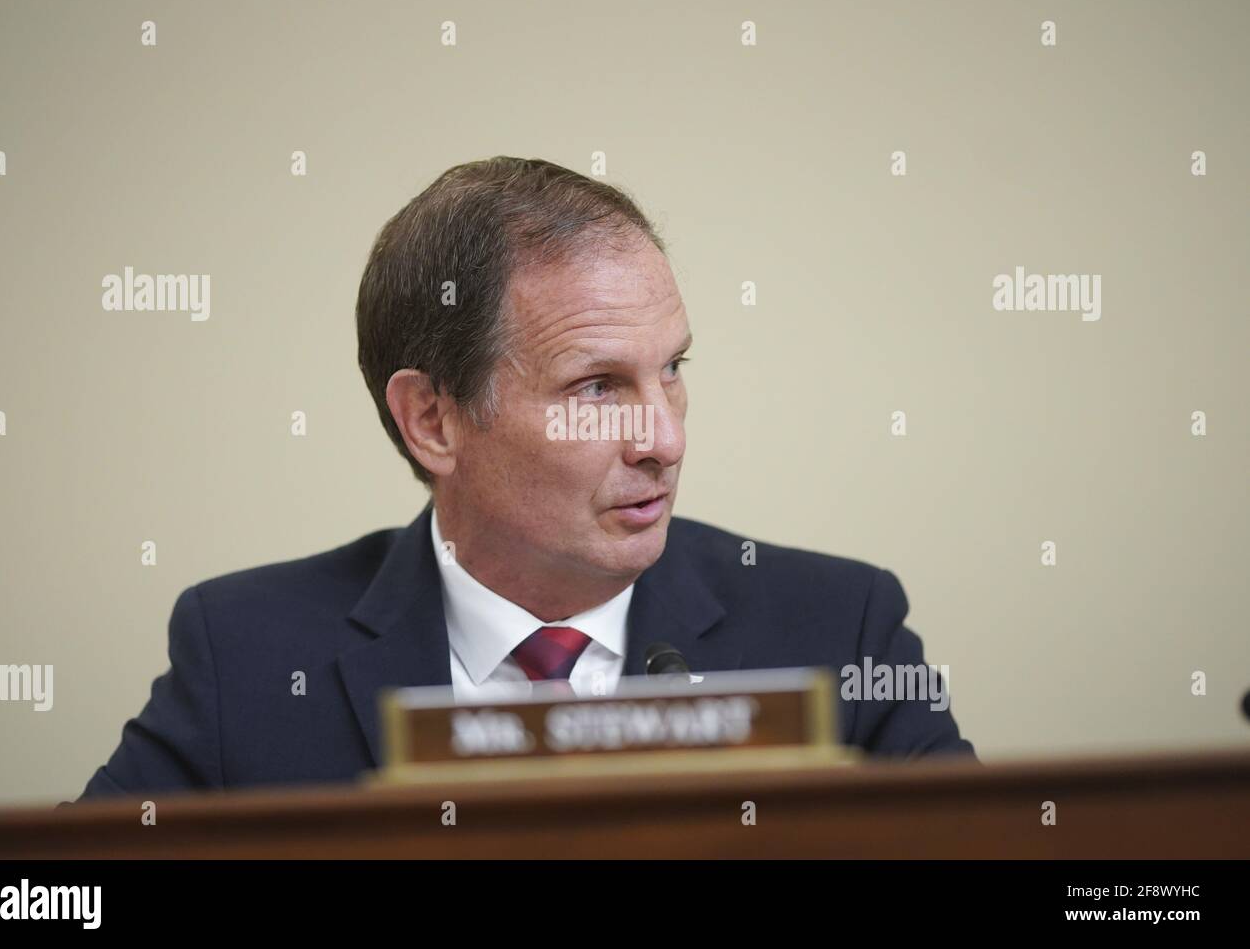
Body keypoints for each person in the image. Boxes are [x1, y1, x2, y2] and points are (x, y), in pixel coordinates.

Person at [76, 156, 974, 801]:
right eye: (597, 386)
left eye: (672, 370)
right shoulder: (249, 654)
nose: (663, 437)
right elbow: (47, 905)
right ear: (433, 419)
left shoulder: (836, 628)